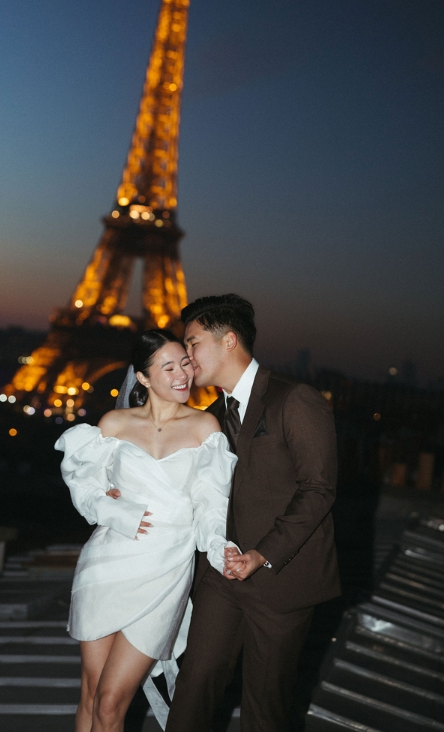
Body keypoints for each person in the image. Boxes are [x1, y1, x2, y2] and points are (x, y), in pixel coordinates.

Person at [166, 294, 341, 732]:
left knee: (264, 709)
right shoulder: (209, 418)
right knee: (193, 689)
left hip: (282, 581)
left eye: (192, 343)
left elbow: (318, 489)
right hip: (221, 579)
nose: (185, 359)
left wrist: (262, 554)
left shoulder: (295, 400)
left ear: (229, 340)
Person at [54, 329, 237, 732]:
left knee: (111, 701)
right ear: (142, 377)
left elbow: (212, 504)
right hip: (107, 564)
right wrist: (111, 507)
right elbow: (83, 484)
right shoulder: (114, 423)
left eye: (185, 363)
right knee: (90, 692)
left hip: (165, 571)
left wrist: (220, 548)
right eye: (168, 366)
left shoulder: (206, 428)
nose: (182, 374)